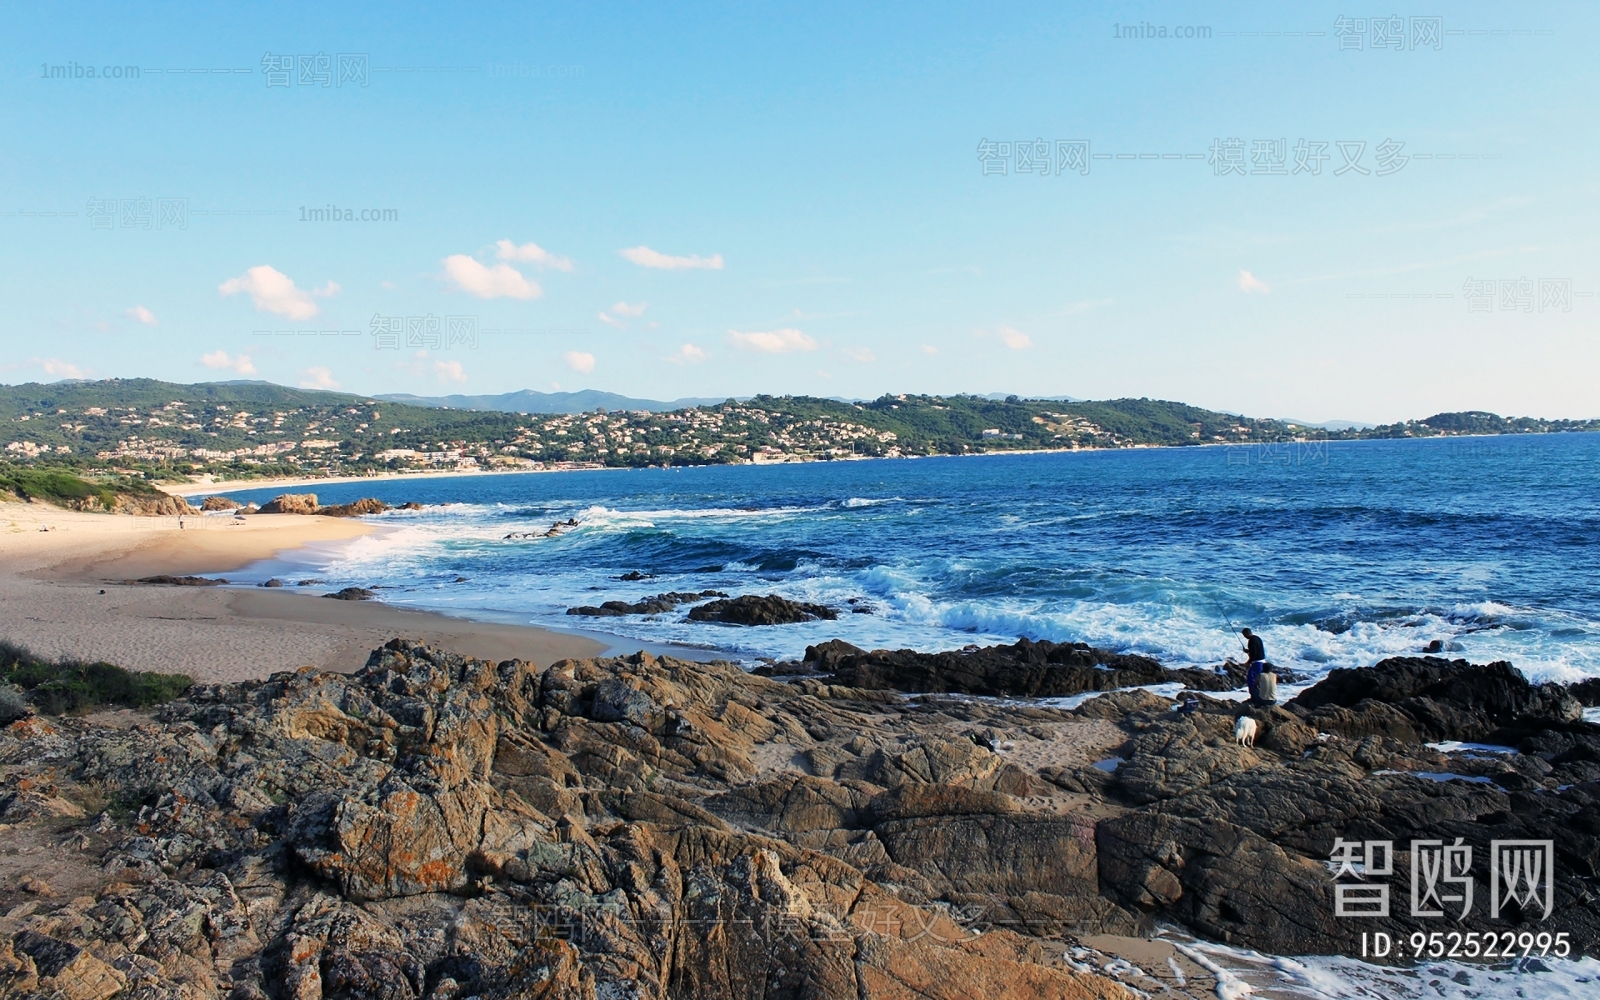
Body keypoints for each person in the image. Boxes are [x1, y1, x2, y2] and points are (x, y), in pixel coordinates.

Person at [1241, 627, 1266, 701]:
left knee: (1251, 680)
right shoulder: (1257, 638)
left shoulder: (1251, 641)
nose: (1244, 637)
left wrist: (1248, 662)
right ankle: (1259, 696)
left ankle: (1254, 697)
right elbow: (1255, 650)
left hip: (1257, 663)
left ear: (1246, 633)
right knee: (1258, 680)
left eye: (1244, 635)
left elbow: (1254, 653)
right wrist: (1248, 651)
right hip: (1262, 661)